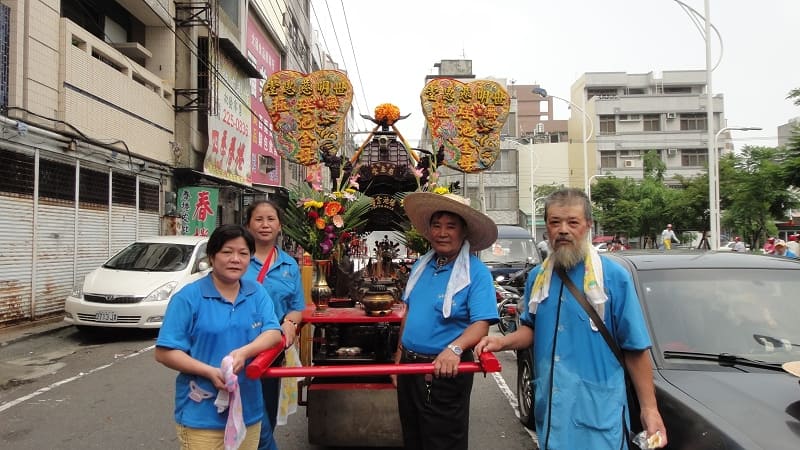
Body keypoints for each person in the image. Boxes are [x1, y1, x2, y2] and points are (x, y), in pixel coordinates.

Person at [475, 188, 668, 449]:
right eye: (555, 222)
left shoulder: (612, 278)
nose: (563, 230)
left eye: (572, 222)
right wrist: (501, 343)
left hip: (599, 414)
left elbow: (635, 348)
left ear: (588, 225)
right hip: (553, 412)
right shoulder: (538, 278)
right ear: (547, 229)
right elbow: (532, 328)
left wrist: (650, 409)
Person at [155, 224, 283, 450]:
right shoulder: (189, 298)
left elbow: (273, 333)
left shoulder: (256, 292)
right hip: (202, 414)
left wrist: (245, 352)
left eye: (243, 253)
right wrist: (209, 372)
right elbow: (165, 352)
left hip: (249, 410)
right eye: (227, 252)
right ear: (212, 256)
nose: (236, 259)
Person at [394, 192, 499, 449]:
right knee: (413, 436)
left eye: (451, 227)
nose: (442, 233)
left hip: (445, 371)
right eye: (437, 226)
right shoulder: (421, 265)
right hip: (409, 368)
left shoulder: (476, 272)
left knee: (442, 441)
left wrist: (454, 348)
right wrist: (398, 355)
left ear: (464, 232)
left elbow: (480, 324)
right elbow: (409, 312)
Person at [244, 199, 306, 450]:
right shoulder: (238, 259)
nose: (265, 225)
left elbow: (297, 307)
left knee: (266, 413)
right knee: (245, 418)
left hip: (271, 352)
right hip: (238, 348)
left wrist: (291, 322)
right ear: (248, 225)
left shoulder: (289, 264)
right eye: (259, 219)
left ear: (280, 226)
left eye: (271, 219)